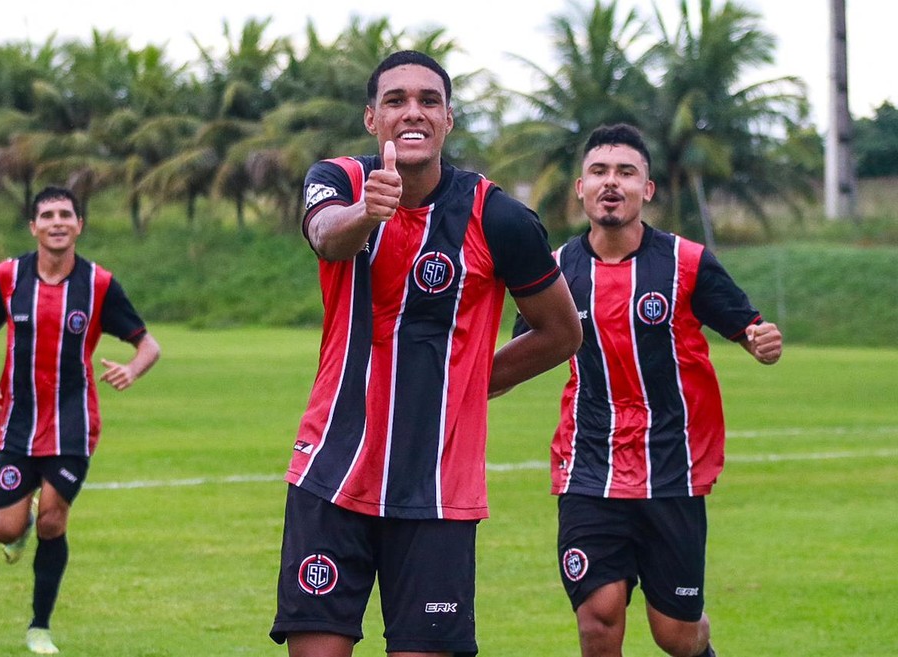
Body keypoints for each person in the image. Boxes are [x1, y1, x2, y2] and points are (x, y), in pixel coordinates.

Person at [269, 50, 582, 657]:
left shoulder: (499, 217)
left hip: (438, 489)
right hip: (331, 470)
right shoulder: (338, 181)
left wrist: (471, 382)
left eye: (428, 101)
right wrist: (368, 212)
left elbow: (561, 334)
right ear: (372, 119)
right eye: (395, 100)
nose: (412, 112)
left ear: (448, 119)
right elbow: (326, 238)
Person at [514, 123, 782, 657]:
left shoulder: (687, 262)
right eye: (599, 171)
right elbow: (524, 351)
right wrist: (470, 382)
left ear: (647, 188)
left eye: (626, 172)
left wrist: (761, 341)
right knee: (598, 619)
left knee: (675, 636)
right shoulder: (557, 271)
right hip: (589, 464)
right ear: (581, 188)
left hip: (672, 467)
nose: (611, 182)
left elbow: (748, 328)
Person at [0, 185, 161, 655]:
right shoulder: (9, 275)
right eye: (48, 215)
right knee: (5, 529)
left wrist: (132, 370)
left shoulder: (98, 284)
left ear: (79, 225)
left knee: (53, 522)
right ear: (33, 227)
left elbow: (149, 345)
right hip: (17, 423)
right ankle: (20, 527)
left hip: (73, 424)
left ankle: (40, 627)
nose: (57, 222)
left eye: (65, 215)